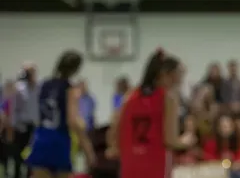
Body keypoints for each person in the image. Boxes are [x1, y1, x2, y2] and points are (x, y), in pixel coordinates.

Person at [109, 50, 193, 178]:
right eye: (179, 74)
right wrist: (187, 139)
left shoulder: (130, 95)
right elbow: (170, 140)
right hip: (156, 163)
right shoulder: (168, 97)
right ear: (165, 75)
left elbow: (114, 129)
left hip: (130, 164)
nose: (181, 79)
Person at [25, 50, 96, 178]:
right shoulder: (69, 89)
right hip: (59, 140)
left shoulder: (44, 85)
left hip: (41, 138)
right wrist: (88, 149)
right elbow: (72, 121)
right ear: (76, 69)